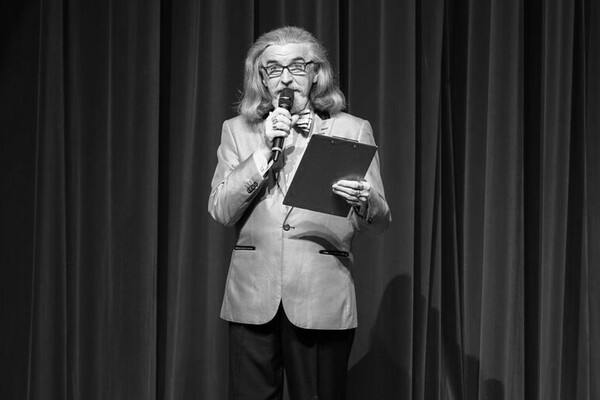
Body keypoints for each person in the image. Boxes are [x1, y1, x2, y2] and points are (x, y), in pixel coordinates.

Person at [208, 26, 391, 400]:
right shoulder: (237, 131)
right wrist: (263, 151)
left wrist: (364, 200)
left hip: (321, 294)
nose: (286, 78)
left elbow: (380, 222)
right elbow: (221, 210)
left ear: (316, 73)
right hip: (252, 296)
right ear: (262, 78)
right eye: (274, 69)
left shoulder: (352, 129)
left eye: (297, 66)